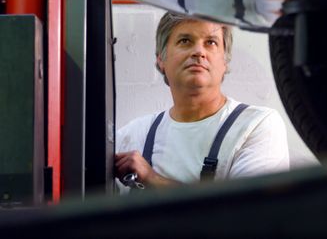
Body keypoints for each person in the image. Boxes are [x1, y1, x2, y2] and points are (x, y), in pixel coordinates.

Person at [115, 11, 290, 191]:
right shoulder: (129, 137)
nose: (199, 52)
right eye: (185, 41)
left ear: (225, 62)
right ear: (161, 59)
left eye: (211, 43)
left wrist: (152, 178)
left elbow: (248, 211)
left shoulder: (257, 125)